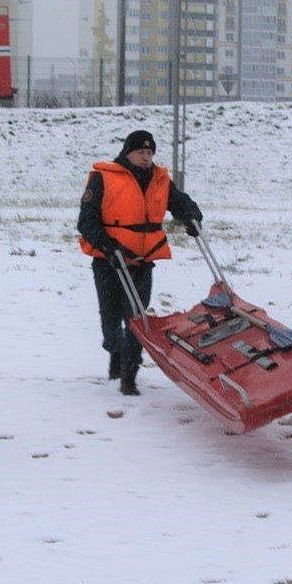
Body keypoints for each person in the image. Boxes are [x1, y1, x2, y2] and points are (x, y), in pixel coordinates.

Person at [78, 130, 203, 396]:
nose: (146, 158)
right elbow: (86, 221)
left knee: (137, 318)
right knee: (110, 319)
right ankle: (115, 350)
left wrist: (190, 214)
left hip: (142, 260)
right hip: (109, 260)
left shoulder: (160, 179)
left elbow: (178, 201)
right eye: (140, 152)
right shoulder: (103, 177)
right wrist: (108, 246)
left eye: (149, 153)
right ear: (127, 153)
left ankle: (129, 372)